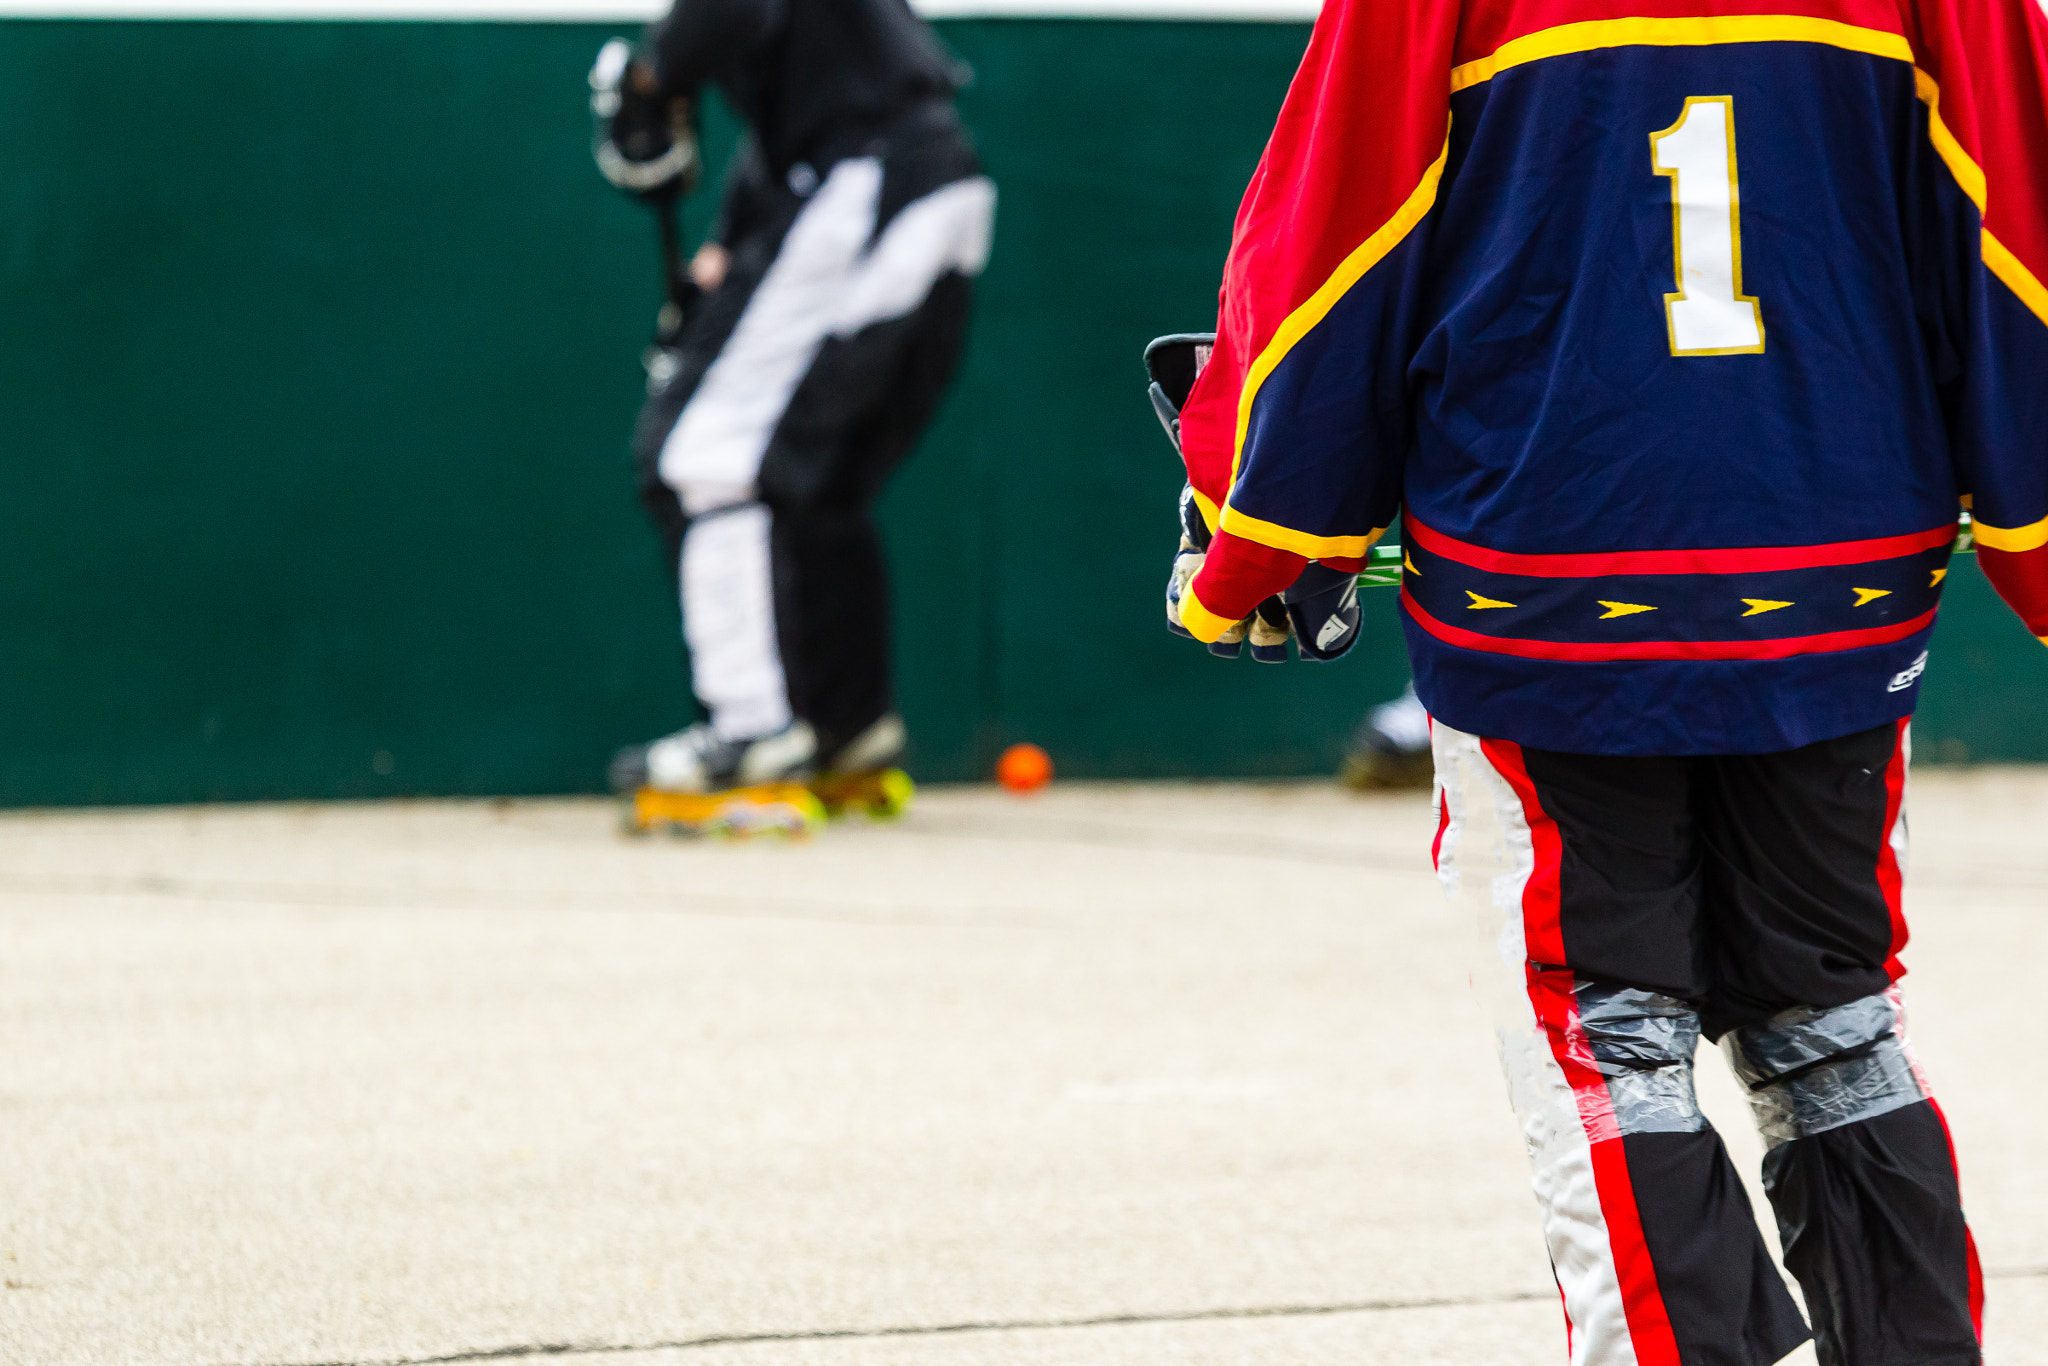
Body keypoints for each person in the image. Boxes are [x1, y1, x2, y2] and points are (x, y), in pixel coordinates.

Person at [1163, 0, 2047, 1361]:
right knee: (1835, 1020)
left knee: (1607, 1042)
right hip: (1839, 571)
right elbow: (2018, 234)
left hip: (1552, 568)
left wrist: (1253, 538)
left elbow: (1330, 247)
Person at [590, 0, 994, 800]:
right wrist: (730, 246)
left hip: (868, 177)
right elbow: (795, 114)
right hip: (926, 176)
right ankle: (848, 729)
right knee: (819, 478)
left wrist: (653, 73)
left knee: (700, 457)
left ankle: (750, 732)